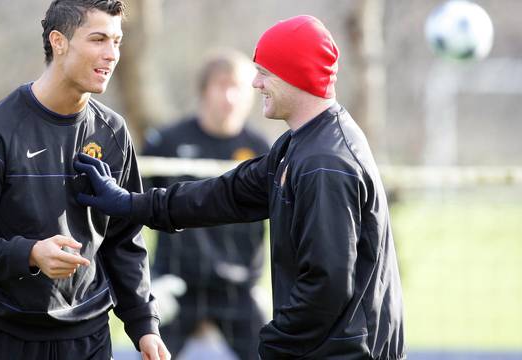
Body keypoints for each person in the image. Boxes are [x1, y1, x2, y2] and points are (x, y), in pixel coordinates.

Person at [73, 14, 405, 359]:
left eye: (265, 72)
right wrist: (132, 204)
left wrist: (275, 345)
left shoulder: (325, 162)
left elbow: (327, 283)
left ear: (295, 74)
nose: (256, 83)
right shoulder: (300, 145)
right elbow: (225, 195)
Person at [0, 1, 169, 359]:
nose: (111, 55)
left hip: (88, 337)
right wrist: (29, 254)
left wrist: (143, 325)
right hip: (4, 334)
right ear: (58, 41)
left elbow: (124, 240)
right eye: (98, 39)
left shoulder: (114, 133)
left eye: (117, 42)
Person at [142, 50, 269, 360]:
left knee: (275, 351)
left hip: (238, 287)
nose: (229, 96)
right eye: (221, 85)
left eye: (237, 86)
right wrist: (147, 282)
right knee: (149, 350)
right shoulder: (166, 143)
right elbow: (133, 210)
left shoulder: (261, 149)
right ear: (204, 91)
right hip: (177, 283)